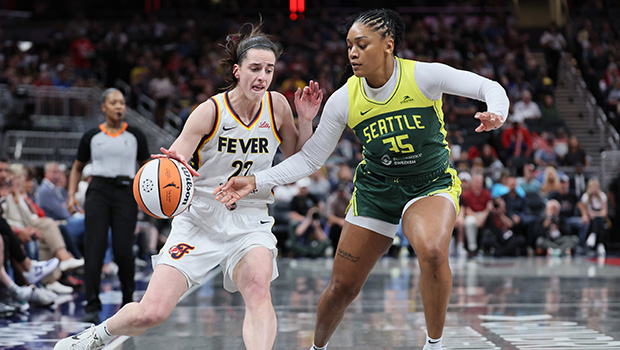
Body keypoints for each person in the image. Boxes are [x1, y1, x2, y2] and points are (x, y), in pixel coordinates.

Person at [215, 9, 508, 350]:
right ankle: (317, 347)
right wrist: (255, 181)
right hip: (376, 191)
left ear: (388, 45)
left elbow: (489, 86)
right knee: (342, 289)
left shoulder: (424, 76)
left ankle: (434, 344)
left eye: (362, 45)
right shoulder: (344, 99)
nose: (352, 52)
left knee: (430, 250)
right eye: (349, 45)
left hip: (430, 184)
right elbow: (310, 158)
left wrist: (497, 113)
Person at [55, 22, 322, 350]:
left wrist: (306, 120)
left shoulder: (278, 106)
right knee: (150, 313)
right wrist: (172, 166)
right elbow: (177, 156)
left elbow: (298, 159)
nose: (262, 77)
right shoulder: (210, 111)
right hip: (200, 219)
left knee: (258, 289)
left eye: (268, 70)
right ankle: (96, 336)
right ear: (237, 71)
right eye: (255, 68)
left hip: (250, 218)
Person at [64, 87, 150, 324]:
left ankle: (127, 300)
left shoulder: (136, 135)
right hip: (98, 191)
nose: (119, 107)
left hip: (126, 191)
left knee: (124, 249)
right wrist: (71, 195)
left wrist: (147, 198)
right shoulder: (92, 136)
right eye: (114, 103)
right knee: (95, 248)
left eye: (122, 103)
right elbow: (77, 166)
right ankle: (92, 303)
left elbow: (147, 168)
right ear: (103, 107)